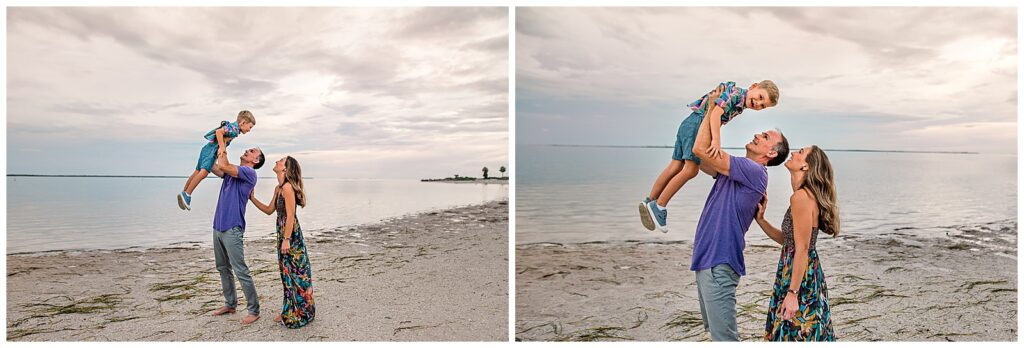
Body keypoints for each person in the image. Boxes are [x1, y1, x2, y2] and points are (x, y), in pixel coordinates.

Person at [687, 92, 790, 341]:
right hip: (707, 260)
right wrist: (707, 116)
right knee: (718, 336)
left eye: (765, 137)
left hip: (719, 262)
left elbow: (700, 148)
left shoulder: (753, 170)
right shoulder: (737, 170)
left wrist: (715, 106)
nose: (757, 135)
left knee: (726, 340)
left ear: (771, 154)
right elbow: (698, 157)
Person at [641, 81, 779, 233]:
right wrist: (716, 140)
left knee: (675, 166)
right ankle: (659, 206)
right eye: (760, 97)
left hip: (690, 123)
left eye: (762, 105)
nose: (757, 103)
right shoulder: (737, 95)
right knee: (691, 170)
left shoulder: (740, 101)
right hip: (697, 125)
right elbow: (715, 114)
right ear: (753, 86)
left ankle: (650, 200)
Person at [755, 145, 838, 341]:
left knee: (795, 331)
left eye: (800, 152)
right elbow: (789, 242)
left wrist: (793, 293)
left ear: (806, 167)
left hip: (799, 276)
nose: (793, 153)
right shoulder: (805, 196)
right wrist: (761, 220)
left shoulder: (801, 197)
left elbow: (802, 248)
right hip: (800, 271)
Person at [250, 156, 316, 328]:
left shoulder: (287, 188)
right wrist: (252, 198)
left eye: (281, 161)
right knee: (286, 273)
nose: (277, 161)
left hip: (291, 236)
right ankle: (288, 310)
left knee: (297, 273)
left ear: (285, 169)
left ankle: (302, 311)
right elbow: (269, 210)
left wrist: (286, 239)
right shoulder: (278, 188)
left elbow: (291, 216)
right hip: (283, 233)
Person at [209, 147, 266, 325]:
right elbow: (215, 166)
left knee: (241, 270)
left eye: (251, 152)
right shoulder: (231, 173)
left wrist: (222, 141)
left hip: (232, 228)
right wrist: (211, 149)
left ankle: (254, 310)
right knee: (222, 268)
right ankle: (230, 304)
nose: (247, 150)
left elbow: (223, 165)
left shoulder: (249, 173)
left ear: (255, 161)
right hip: (218, 226)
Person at [178, 110, 256, 211]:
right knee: (204, 172)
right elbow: (219, 132)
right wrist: (222, 147)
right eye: (250, 127)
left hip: (206, 149)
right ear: (243, 123)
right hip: (211, 151)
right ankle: (187, 195)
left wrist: (222, 144)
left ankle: (184, 192)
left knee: (197, 171)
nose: (249, 130)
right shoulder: (234, 129)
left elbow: (221, 134)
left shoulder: (234, 128)